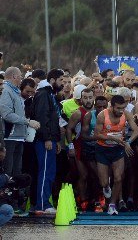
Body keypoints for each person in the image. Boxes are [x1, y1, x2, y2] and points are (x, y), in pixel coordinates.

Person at [93, 95, 138, 215]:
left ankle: (112, 205)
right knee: (104, 182)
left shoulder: (126, 114)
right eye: (118, 108)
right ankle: (106, 187)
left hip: (117, 149)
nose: (120, 111)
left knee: (118, 178)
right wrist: (112, 138)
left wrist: (128, 142)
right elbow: (96, 134)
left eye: (122, 108)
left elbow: (136, 131)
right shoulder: (102, 115)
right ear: (111, 106)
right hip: (102, 149)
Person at [32, 68, 65, 215]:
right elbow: (42, 118)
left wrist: (56, 139)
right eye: (61, 81)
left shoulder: (50, 94)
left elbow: (54, 119)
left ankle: (45, 202)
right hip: (44, 140)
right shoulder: (43, 94)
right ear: (52, 80)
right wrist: (47, 138)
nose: (63, 84)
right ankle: (42, 204)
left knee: (50, 172)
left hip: (51, 139)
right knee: (45, 172)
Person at [0, 67, 40, 176]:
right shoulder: (5, 91)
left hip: (18, 136)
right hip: (9, 137)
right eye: (20, 76)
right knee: (8, 172)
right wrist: (27, 122)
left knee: (17, 173)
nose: (21, 79)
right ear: (14, 76)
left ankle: (14, 192)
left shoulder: (15, 91)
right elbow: (7, 114)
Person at [65, 87, 95, 210]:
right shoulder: (78, 113)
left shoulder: (100, 111)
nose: (88, 100)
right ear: (80, 99)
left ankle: (96, 199)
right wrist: (71, 146)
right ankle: (83, 200)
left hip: (96, 145)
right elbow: (68, 129)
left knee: (96, 175)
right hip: (80, 146)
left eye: (90, 97)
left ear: (94, 98)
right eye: (85, 98)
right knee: (83, 175)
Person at [81, 96, 109, 213]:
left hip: (105, 149)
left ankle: (105, 200)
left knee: (106, 176)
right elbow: (83, 136)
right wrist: (96, 137)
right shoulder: (89, 116)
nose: (101, 109)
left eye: (104, 106)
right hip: (90, 149)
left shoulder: (111, 115)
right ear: (94, 106)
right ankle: (96, 200)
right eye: (99, 107)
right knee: (96, 175)